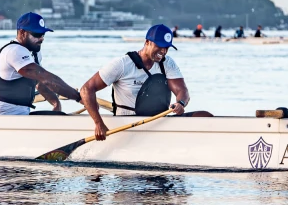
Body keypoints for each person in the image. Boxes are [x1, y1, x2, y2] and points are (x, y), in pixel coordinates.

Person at [79, 24, 209, 141]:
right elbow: (86, 89)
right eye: (160, 46)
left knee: (205, 116)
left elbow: (182, 91)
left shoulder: (167, 63)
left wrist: (181, 103)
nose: (163, 52)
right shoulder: (122, 64)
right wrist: (98, 123)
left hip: (159, 121)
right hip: (129, 124)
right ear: (147, 42)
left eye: (166, 48)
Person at [0, 12, 82, 115]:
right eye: (37, 34)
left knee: (58, 115)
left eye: (43, 34)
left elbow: (39, 83)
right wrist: (79, 97)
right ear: (22, 33)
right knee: (60, 117)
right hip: (2, 115)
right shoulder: (14, 51)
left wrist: (55, 103)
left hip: (21, 114)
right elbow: (46, 79)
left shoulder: (34, 52)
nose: (41, 38)